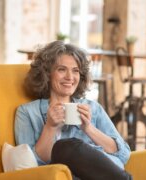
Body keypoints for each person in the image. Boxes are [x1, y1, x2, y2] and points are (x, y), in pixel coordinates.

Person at [15, 40, 132, 180]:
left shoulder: (93, 108)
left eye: (75, 70)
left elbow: (124, 154)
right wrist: (50, 127)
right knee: (65, 147)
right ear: (46, 73)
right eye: (61, 69)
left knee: (69, 146)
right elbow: (32, 166)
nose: (70, 77)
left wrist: (89, 128)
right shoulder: (27, 112)